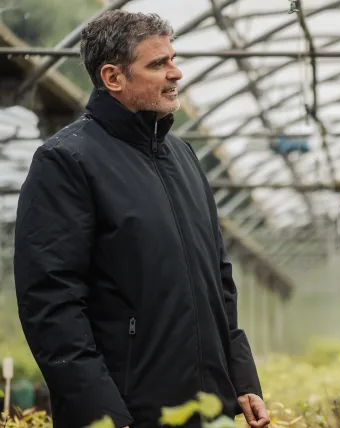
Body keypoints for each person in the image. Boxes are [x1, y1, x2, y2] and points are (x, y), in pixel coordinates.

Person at [13, 11, 270, 428]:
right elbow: (52, 305)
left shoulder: (184, 157)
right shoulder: (67, 161)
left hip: (206, 410)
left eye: (173, 58)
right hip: (131, 412)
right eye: (158, 64)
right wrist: (103, 415)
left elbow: (218, 282)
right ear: (113, 77)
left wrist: (240, 377)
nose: (176, 72)